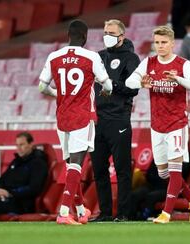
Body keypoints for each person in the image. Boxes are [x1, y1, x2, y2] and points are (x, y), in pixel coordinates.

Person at [126, 25, 190, 224]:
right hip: (157, 125)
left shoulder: (183, 64)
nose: (160, 46)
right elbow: (129, 82)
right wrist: (141, 83)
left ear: (172, 43)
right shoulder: (148, 62)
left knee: (175, 170)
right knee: (163, 172)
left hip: (177, 123)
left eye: (164, 43)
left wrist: (177, 79)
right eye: (157, 42)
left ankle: (166, 214)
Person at [39, 19, 113, 225]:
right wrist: (106, 91)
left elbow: (41, 87)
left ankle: (81, 211)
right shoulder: (91, 57)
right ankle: (63, 212)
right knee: (77, 165)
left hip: (62, 116)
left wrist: (59, 94)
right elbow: (107, 84)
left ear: (68, 36)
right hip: (82, 115)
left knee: (71, 165)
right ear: (85, 37)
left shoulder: (54, 56)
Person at [89, 19, 140, 222]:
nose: (107, 35)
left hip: (119, 119)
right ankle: (105, 212)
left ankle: (124, 213)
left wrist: (111, 85)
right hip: (98, 121)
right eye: (105, 32)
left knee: (122, 169)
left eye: (111, 32)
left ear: (122, 36)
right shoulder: (98, 57)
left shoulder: (131, 58)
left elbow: (133, 88)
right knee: (99, 169)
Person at [0, 132, 48, 222]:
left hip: (19, 202)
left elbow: (34, 188)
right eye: (17, 145)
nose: (19, 148)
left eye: (22, 145)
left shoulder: (38, 163)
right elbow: (2, 179)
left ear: (31, 144)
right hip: (5, 197)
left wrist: (10, 193)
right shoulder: (16, 162)